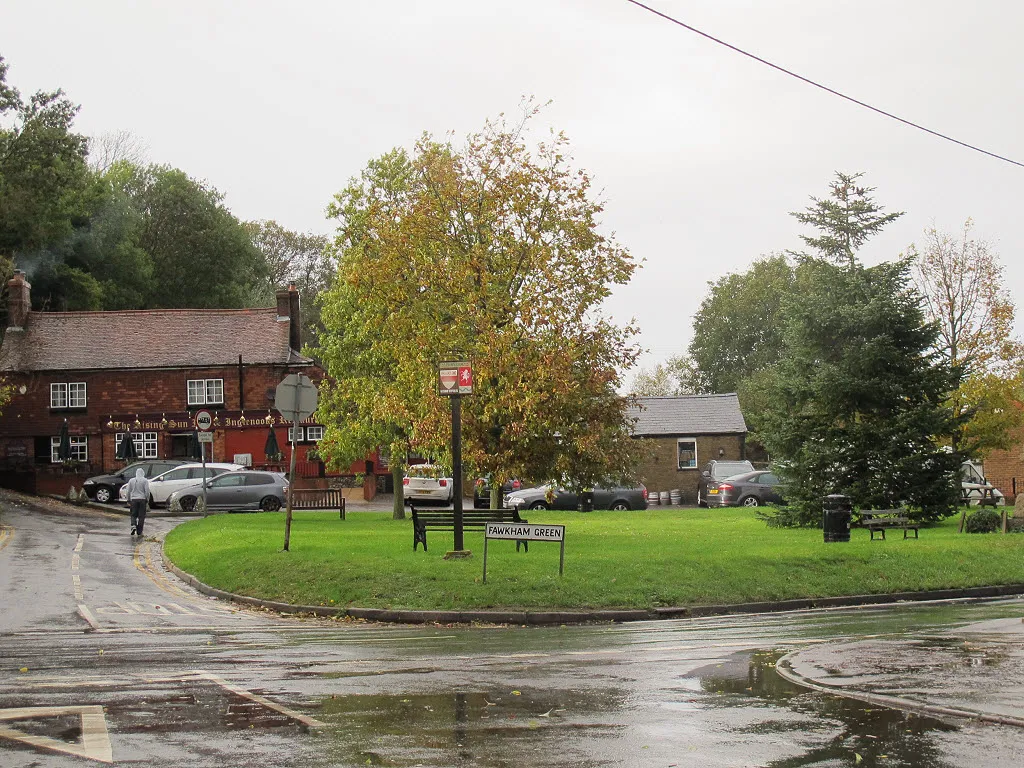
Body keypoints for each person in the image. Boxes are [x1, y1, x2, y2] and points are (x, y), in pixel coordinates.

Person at [124, 468, 151, 537]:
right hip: (142, 500)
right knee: (141, 516)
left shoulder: (131, 480)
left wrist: (128, 499)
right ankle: (139, 531)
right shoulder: (145, 480)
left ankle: (133, 525)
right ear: (143, 473)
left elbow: (128, 491)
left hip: (134, 500)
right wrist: (147, 499)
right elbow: (147, 491)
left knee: (133, 515)